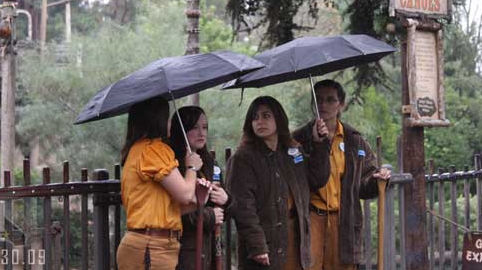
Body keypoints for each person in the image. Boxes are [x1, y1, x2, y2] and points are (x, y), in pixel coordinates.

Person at [292, 80, 392, 270]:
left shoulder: (354, 140)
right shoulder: (299, 139)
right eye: (319, 100)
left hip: (344, 220)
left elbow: (365, 182)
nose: (323, 105)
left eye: (331, 100)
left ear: (341, 105)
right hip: (311, 218)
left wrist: (377, 179)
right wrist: (316, 142)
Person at [227, 96, 330, 270]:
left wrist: (319, 144)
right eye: (255, 117)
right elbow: (243, 208)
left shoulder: (292, 151)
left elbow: (317, 179)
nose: (259, 122)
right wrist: (257, 245)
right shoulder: (243, 158)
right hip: (265, 243)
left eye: (266, 116)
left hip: (296, 239)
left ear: (279, 119)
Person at [116, 97, 210, 270]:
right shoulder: (153, 150)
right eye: (167, 118)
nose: (169, 123)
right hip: (152, 247)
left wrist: (199, 200)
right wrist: (191, 167)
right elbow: (184, 194)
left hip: (148, 245)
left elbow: (166, 208)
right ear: (156, 120)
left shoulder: (138, 150)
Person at [168, 106, 232, 270]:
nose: (201, 133)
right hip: (185, 250)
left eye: (204, 127)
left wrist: (226, 200)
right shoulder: (172, 165)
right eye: (194, 127)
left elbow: (223, 210)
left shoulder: (210, 162)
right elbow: (174, 210)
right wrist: (210, 215)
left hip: (210, 248)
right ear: (181, 129)